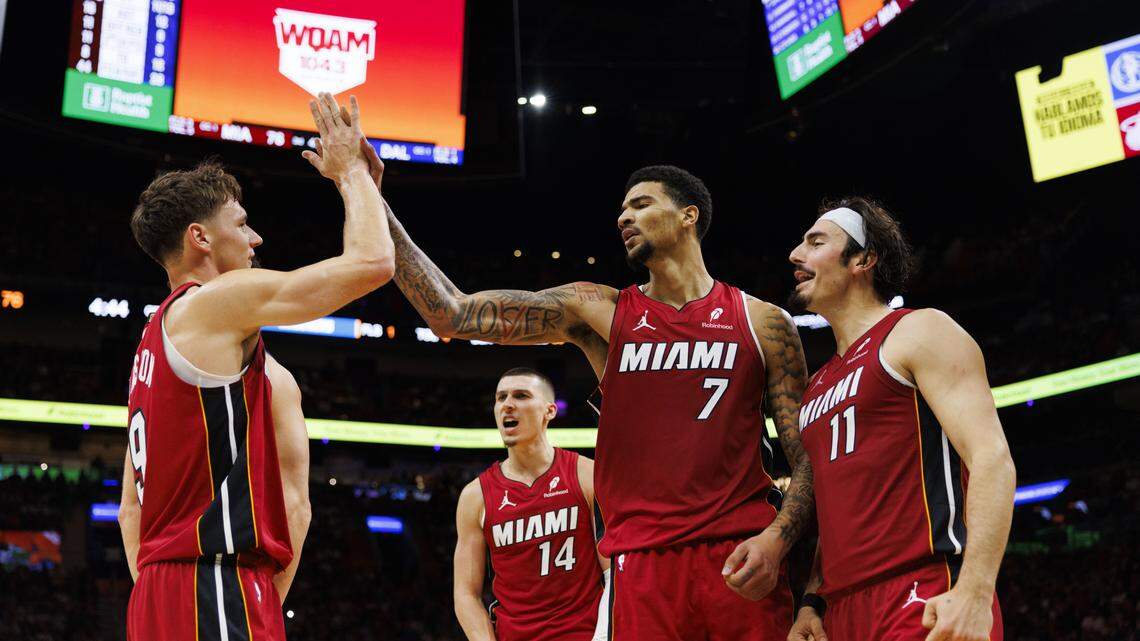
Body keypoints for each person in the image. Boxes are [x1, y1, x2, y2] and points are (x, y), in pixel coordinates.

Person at [376, 161, 813, 640]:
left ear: (689, 215)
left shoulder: (764, 322)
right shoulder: (598, 310)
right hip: (642, 565)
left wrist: (777, 540)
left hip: (740, 557)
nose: (624, 217)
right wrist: (369, 195)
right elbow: (451, 313)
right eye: (622, 209)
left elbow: (808, 457)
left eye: (641, 204)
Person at [117, 93, 394, 641]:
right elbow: (373, 264)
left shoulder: (151, 342)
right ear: (200, 237)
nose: (255, 238)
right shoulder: (215, 300)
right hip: (217, 586)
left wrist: (163, 593)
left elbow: (131, 511)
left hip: (154, 593)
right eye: (241, 224)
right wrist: (352, 175)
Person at [785, 197, 1015, 641]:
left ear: (864, 259)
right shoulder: (815, 386)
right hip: (844, 610)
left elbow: (992, 459)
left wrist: (975, 591)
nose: (796, 254)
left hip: (922, 591)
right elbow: (837, 511)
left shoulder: (919, 331)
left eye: (816, 242)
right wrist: (814, 600)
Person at [454, 368, 609, 641]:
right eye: (500, 398)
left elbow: (613, 574)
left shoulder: (587, 476)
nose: (507, 405)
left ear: (549, 411)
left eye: (521, 396)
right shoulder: (475, 496)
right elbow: (466, 594)